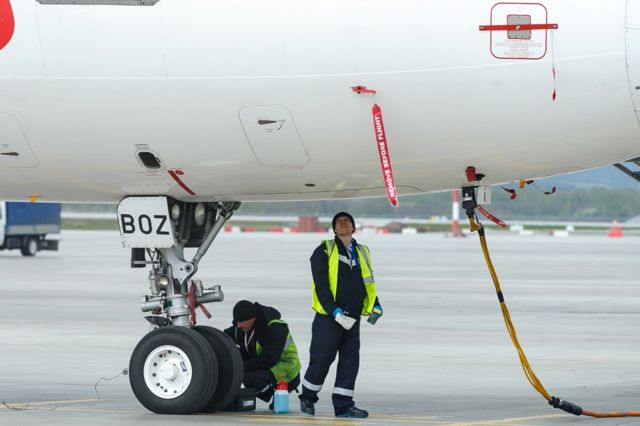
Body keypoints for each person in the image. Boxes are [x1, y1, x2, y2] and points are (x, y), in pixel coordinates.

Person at [298, 211, 383, 418]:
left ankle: (344, 405)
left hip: (352, 318)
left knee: (350, 361)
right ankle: (307, 398)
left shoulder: (362, 251)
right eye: (339, 221)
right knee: (321, 359)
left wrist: (375, 304)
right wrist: (333, 310)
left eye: (347, 221)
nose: (343, 223)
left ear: (353, 227)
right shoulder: (324, 250)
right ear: (334, 229)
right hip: (329, 317)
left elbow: (367, 282)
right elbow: (321, 287)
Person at [224, 300, 301, 406]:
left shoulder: (274, 328)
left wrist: (240, 366)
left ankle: (277, 393)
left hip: (286, 369)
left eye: (242, 322)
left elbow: (269, 359)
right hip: (265, 362)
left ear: (253, 318)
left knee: (250, 378)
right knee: (232, 354)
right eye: (237, 321)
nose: (239, 325)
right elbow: (223, 337)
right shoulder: (241, 328)